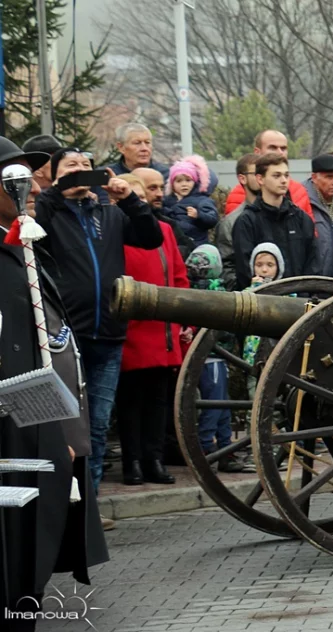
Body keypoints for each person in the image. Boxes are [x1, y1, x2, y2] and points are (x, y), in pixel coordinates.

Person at [0, 136, 108, 628]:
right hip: (16, 429)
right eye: (17, 180)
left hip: (38, 421)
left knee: (33, 547)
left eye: (31, 178)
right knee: (16, 544)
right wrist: (47, 429)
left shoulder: (20, 243)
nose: (34, 188)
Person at [33, 147, 164, 491]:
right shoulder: (48, 210)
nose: (80, 169)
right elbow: (34, 227)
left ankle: (89, 503)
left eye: (86, 165)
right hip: (64, 337)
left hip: (108, 333)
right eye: (71, 165)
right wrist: (57, 190)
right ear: (56, 174)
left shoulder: (110, 213)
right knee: (64, 425)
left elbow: (152, 237)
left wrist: (129, 198)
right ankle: (64, 501)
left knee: (98, 424)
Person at [115, 186, 189, 486]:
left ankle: (153, 459)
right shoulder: (116, 232)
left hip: (161, 329)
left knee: (158, 400)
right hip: (130, 327)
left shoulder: (164, 231)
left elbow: (178, 277)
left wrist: (183, 318)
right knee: (130, 401)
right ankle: (131, 461)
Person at [184, 244, 246, 472]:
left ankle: (224, 448)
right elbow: (225, 328)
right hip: (215, 358)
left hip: (201, 358)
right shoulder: (218, 292)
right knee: (217, 405)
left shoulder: (189, 290)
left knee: (221, 405)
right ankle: (208, 447)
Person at [231, 152, 320, 290]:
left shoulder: (301, 219)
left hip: (299, 299)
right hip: (263, 299)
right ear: (260, 179)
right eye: (276, 176)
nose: (284, 180)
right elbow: (244, 271)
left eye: (286, 175)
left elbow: (313, 266)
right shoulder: (247, 222)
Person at [224, 130, 313, 218]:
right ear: (257, 152)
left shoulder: (298, 190)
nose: (280, 153)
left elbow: (309, 225)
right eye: (273, 148)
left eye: (283, 148)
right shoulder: (240, 194)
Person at [242, 242, 286, 399]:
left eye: (270, 265)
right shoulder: (247, 293)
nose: (264, 270)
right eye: (259, 265)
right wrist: (255, 290)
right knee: (254, 395)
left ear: (278, 268)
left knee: (276, 398)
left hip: (278, 357)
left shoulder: (288, 295)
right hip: (253, 357)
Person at [216, 154, 258, 289]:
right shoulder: (230, 222)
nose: (261, 177)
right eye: (256, 173)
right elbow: (226, 267)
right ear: (242, 178)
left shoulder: (283, 214)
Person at [163, 155, 219, 246]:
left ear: (195, 182)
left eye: (188, 180)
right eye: (179, 181)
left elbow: (212, 219)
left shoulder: (202, 200)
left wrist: (198, 215)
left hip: (196, 245)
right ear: (172, 184)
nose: (184, 184)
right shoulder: (168, 201)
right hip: (175, 245)